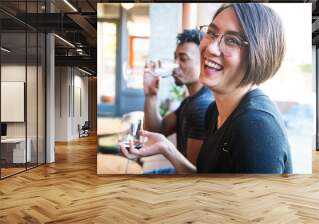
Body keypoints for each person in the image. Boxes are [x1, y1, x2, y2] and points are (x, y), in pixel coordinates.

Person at [121, 3, 293, 174]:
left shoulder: (256, 127)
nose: (210, 48)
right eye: (211, 33)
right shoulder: (213, 111)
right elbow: (202, 178)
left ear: (258, 55)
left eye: (232, 40)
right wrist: (165, 146)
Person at [142, 29, 213, 165]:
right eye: (175, 57)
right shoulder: (190, 101)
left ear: (204, 62)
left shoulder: (202, 106)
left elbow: (193, 174)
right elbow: (157, 129)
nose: (175, 65)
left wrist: (166, 148)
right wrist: (150, 94)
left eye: (183, 58)